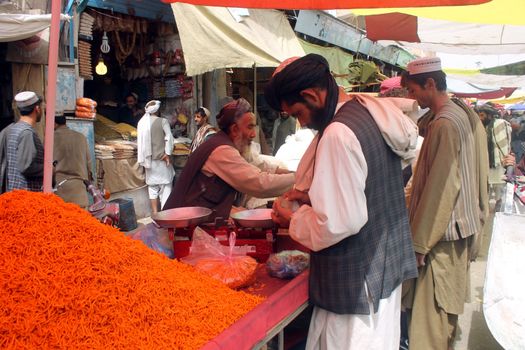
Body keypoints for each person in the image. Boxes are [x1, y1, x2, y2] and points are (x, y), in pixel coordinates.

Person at [266, 54, 418, 350]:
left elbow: (338, 223)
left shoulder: (338, 132)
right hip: (381, 272)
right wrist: (314, 195)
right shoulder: (366, 112)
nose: (302, 122)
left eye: (298, 112)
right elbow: (365, 186)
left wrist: (291, 218)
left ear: (312, 95)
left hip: (356, 286)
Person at [401, 57, 488, 350]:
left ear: (430, 83)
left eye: (413, 91)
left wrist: (420, 244)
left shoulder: (446, 124)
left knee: (429, 329)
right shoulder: (461, 113)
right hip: (455, 233)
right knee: (442, 323)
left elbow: (441, 189)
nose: (412, 98)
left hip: (441, 240)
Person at [163, 98, 295, 219]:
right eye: (250, 127)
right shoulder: (222, 150)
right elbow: (259, 183)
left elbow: (258, 166)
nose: (254, 134)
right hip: (183, 226)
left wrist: (297, 175)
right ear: (235, 129)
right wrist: (299, 179)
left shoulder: (233, 146)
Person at [0, 91, 44, 193]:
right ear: (37, 109)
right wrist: (48, 169)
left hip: (14, 192)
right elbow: (26, 166)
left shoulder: (11, 129)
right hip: (26, 195)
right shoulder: (26, 133)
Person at [137, 100, 175, 214]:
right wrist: (167, 154)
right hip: (161, 160)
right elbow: (169, 138)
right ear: (158, 110)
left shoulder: (141, 123)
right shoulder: (163, 121)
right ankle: (165, 214)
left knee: (152, 188)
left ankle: (155, 213)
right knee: (166, 187)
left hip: (148, 161)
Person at [53, 115, 94, 208]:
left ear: (54, 124)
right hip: (79, 193)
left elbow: (49, 167)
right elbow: (89, 166)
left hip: (60, 193)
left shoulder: (50, 138)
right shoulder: (81, 137)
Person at [476, 103, 512, 184]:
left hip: (499, 164)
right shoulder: (483, 127)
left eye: (482, 115)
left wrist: (506, 161)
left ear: (489, 115)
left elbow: (504, 146)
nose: (480, 118)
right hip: (486, 165)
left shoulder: (500, 124)